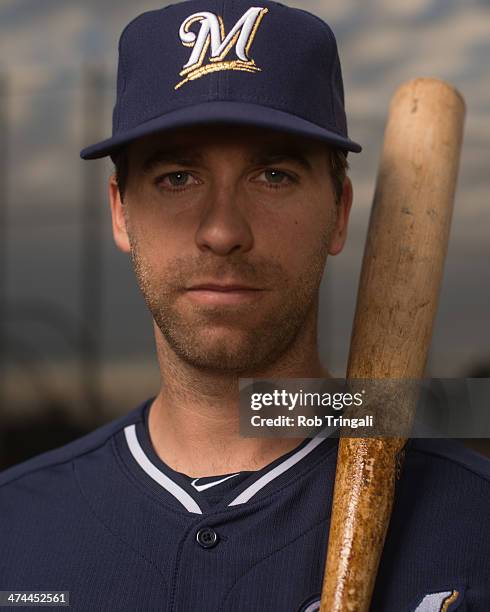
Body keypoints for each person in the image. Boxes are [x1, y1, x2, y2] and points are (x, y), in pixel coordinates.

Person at [1, 1, 488, 611]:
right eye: (178, 178)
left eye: (273, 175)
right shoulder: (14, 530)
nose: (223, 230)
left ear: (338, 213)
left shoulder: (475, 525)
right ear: (121, 212)